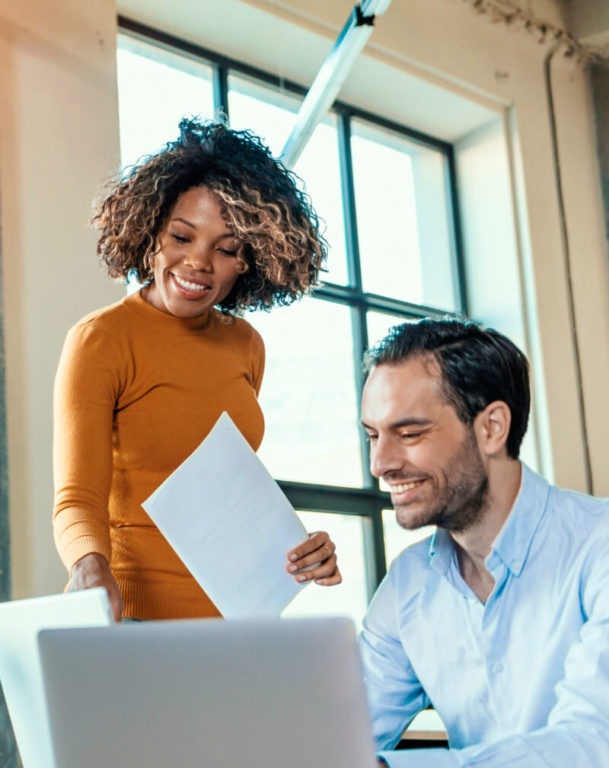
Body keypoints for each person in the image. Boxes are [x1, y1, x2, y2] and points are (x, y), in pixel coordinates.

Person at [52, 117, 341, 623]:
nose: (198, 263)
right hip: (134, 618)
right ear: (149, 233)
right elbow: (77, 499)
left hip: (237, 622)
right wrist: (89, 566)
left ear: (249, 261)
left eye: (225, 249)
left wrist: (301, 549)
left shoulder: (246, 345)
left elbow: (227, 491)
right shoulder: (102, 339)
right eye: (181, 237)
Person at [359, 318, 609, 767]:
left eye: (410, 433)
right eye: (373, 436)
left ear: (492, 427)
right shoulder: (408, 583)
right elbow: (341, 728)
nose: (381, 463)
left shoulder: (600, 546)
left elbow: (594, 744)